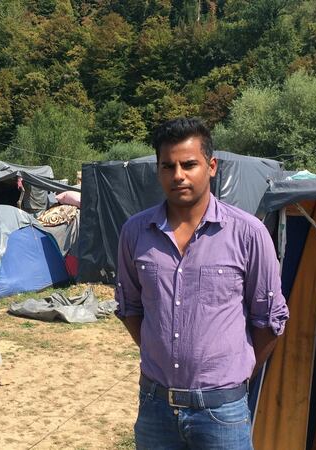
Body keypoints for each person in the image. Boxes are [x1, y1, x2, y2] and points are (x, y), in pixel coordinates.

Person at [115, 117, 289, 449]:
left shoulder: (248, 234)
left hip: (222, 412)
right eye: (168, 166)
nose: (178, 175)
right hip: (155, 408)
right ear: (158, 170)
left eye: (189, 164)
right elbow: (131, 308)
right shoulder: (135, 233)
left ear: (211, 166)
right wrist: (161, 352)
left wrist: (233, 377)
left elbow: (269, 320)